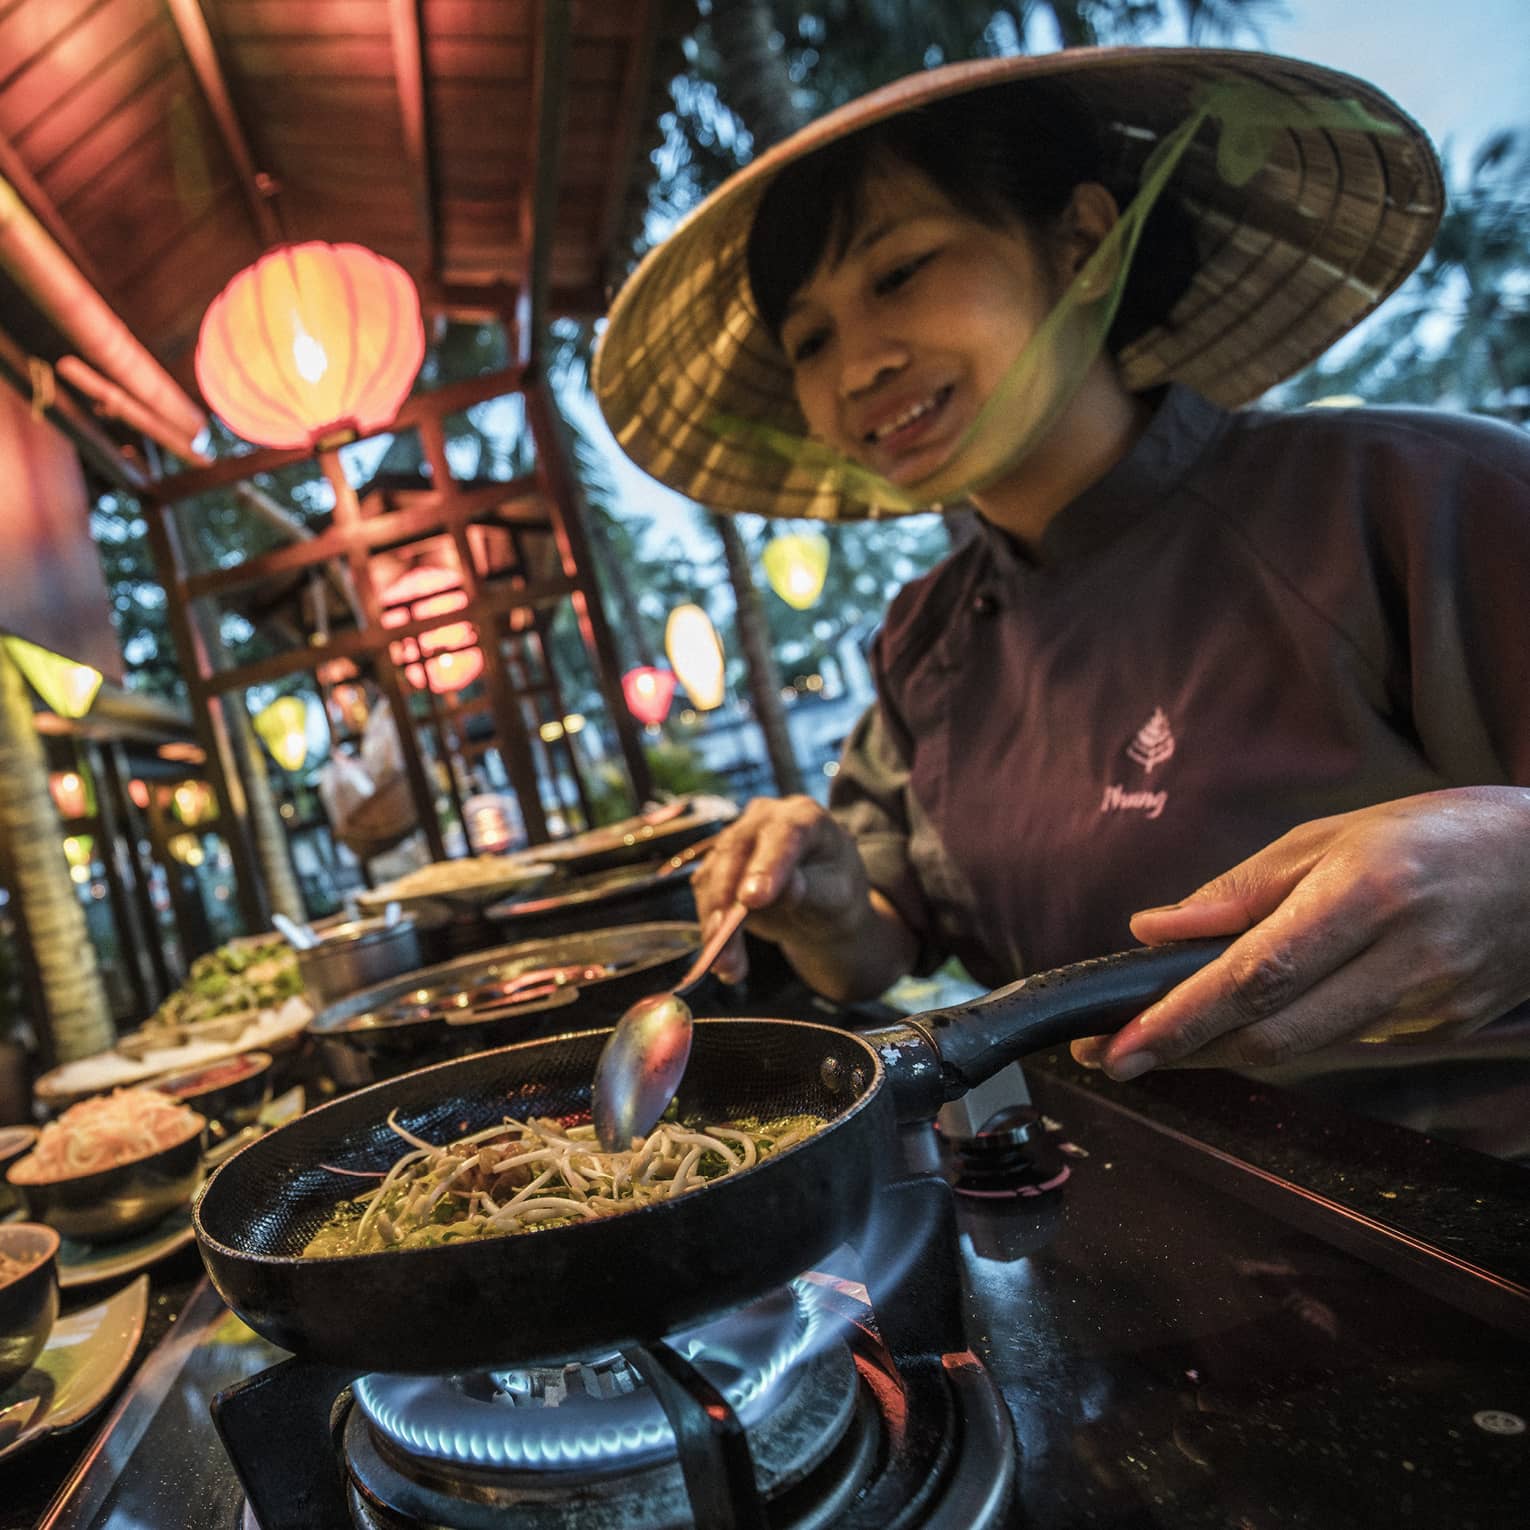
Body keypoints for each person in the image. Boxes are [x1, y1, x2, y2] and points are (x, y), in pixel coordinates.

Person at [592, 48, 1530, 1159]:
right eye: (810, 339)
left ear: (1081, 239)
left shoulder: (1408, 496)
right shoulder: (925, 641)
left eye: (899, 273)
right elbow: (876, 953)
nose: (856, 367)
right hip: (1114, 1236)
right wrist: (832, 901)